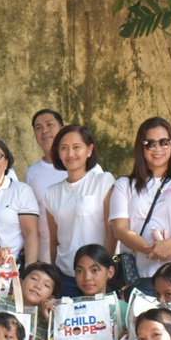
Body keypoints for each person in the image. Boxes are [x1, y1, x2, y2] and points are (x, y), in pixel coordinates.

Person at [110, 117, 171, 293]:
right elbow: (120, 229)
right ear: (140, 147)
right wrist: (153, 250)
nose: (157, 149)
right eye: (150, 143)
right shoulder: (124, 184)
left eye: (164, 142)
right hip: (141, 277)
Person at [43, 124, 116, 296]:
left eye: (77, 147)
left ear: (89, 150)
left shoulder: (103, 181)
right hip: (65, 275)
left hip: (97, 278)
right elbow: (54, 241)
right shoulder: (52, 192)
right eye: (64, 148)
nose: (70, 154)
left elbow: (111, 231)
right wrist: (53, 275)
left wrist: (103, 270)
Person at [24, 109, 66, 264]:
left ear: (62, 128)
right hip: (47, 257)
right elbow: (30, 220)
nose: (45, 131)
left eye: (50, 125)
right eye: (38, 127)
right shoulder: (32, 173)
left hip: (84, 257)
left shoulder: (85, 166)